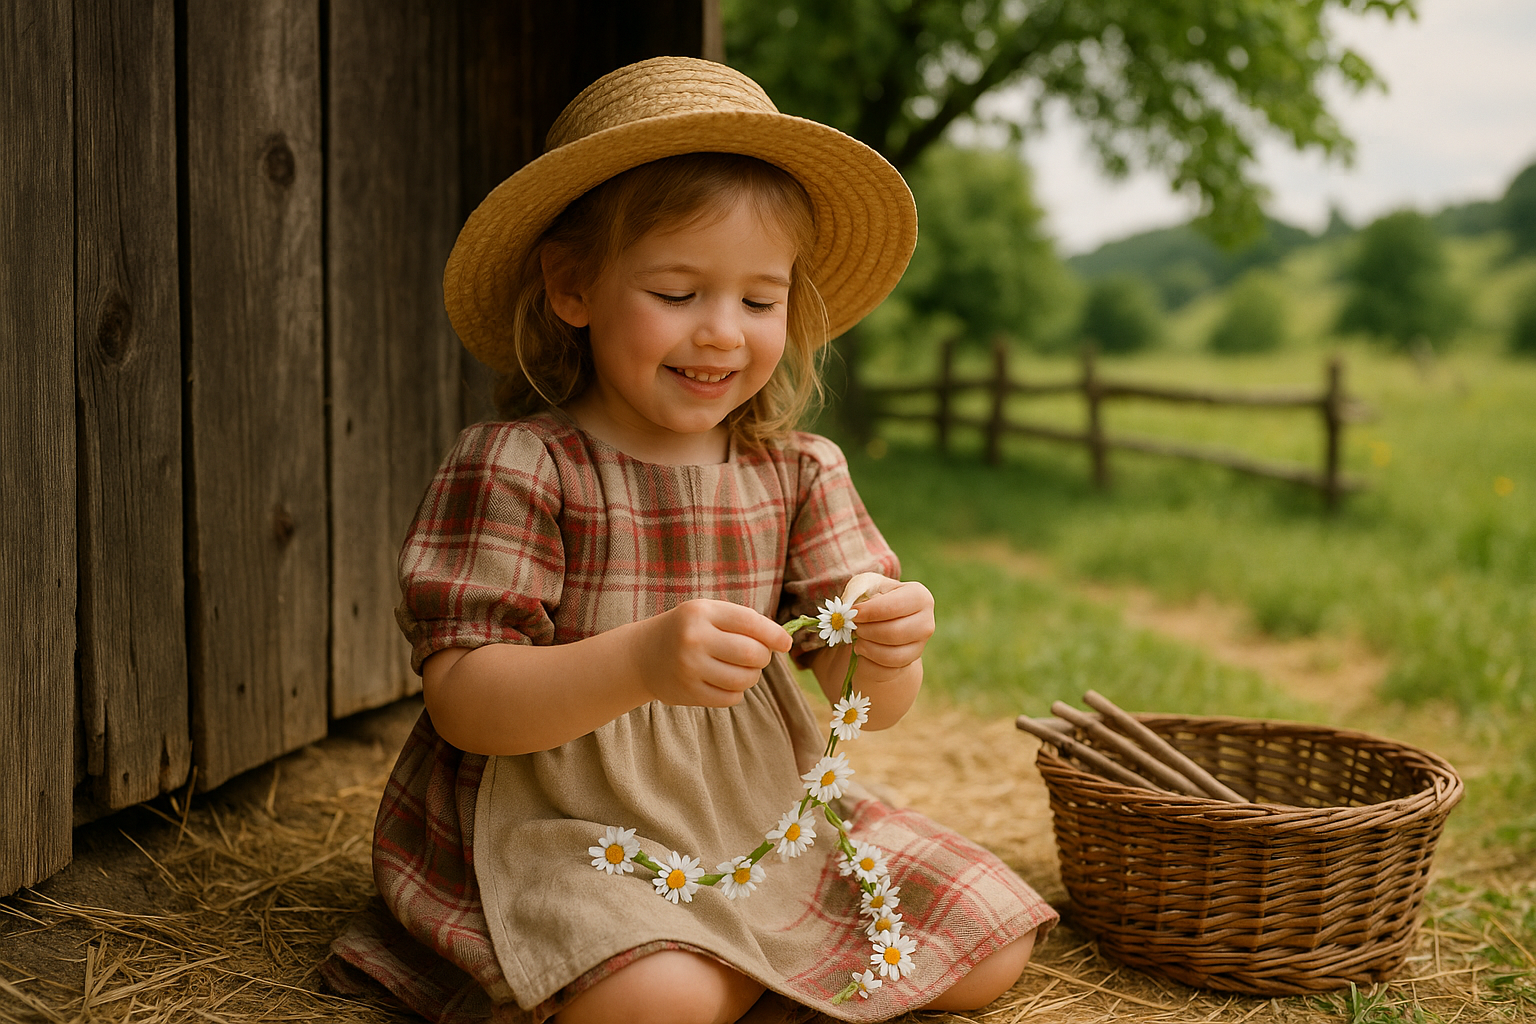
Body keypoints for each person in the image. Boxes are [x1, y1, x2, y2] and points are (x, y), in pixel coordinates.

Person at [323, 57, 1057, 1024]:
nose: (722, 333)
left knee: (990, 945)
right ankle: (707, 969)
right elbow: (464, 699)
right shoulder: (522, 465)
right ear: (572, 285)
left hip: (763, 816)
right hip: (570, 824)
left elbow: (864, 706)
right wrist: (638, 662)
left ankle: (742, 962)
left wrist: (885, 650)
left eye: (759, 301)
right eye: (677, 292)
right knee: (658, 999)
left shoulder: (796, 471)